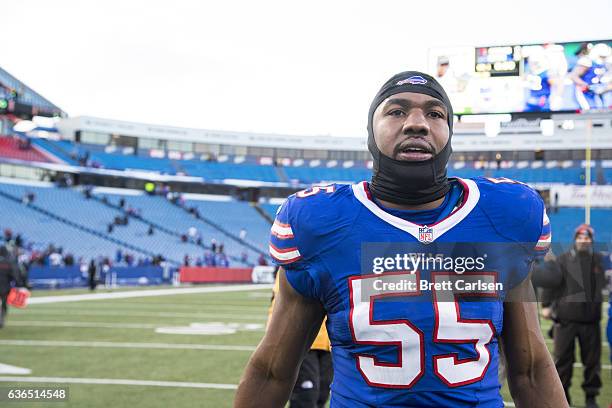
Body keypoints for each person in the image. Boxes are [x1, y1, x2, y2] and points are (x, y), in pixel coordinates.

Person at [234, 71, 567, 407]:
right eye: (396, 111)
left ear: (449, 132)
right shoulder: (319, 223)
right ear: (371, 130)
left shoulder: (506, 216)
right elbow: (272, 372)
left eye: (435, 113)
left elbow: (532, 370)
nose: (417, 123)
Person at [536, 224, 605, 408]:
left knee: (592, 363)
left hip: (591, 320)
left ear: (591, 240)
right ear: (575, 239)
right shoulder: (563, 260)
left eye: (587, 237)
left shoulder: (599, 260)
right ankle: (563, 396)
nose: (584, 241)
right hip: (565, 319)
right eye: (581, 237)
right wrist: (545, 306)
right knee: (562, 361)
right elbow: (551, 283)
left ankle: (591, 397)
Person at [269, 271, 332, 408]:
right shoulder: (295, 263)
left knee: (322, 396)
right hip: (303, 342)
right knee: (306, 397)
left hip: (330, 342)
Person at [0, 245, 23, 328]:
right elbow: (14, 275)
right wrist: (19, 284)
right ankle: (1, 320)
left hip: (4, 286)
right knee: (4, 304)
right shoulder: (9, 262)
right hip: (5, 287)